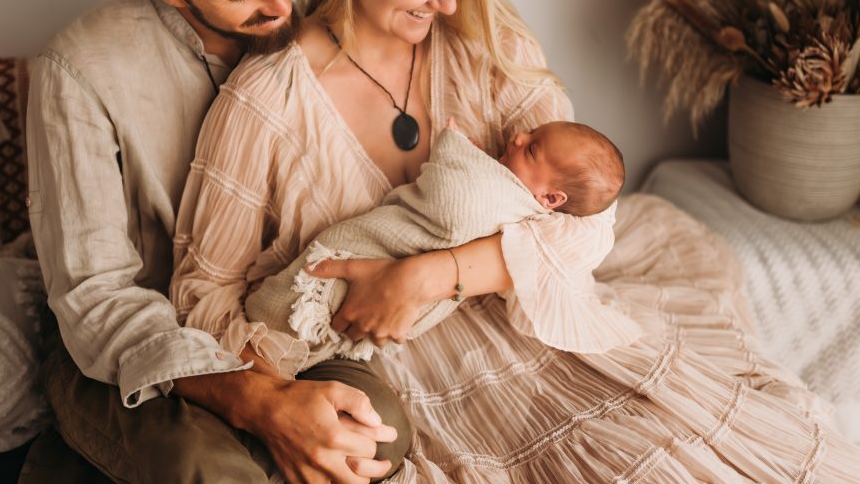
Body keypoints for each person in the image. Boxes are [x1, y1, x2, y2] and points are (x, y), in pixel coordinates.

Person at [170, 0, 860, 484]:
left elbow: (585, 225)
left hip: (530, 328)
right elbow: (201, 297)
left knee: (666, 450)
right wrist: (280, 393)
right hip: (397, 370)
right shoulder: (264, 104)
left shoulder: (489, 45)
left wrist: (429, 273)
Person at [23, 0, 402, 484]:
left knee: (378, 434)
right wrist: (259, 402)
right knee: (210, 472)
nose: (283, 3)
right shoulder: (79, 67)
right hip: (140, 351)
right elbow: (94, 294)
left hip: (285, 325)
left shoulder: (318, 21)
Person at [233, 119, 635, 372]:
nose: (517, 135)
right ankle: (265, 355)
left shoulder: (528, 212)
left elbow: (453, 209)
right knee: (294, 314)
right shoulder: (514, 196)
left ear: (551, 201)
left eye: (531, 148)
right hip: (368, 247)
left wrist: (455, 148)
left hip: (409, 316)